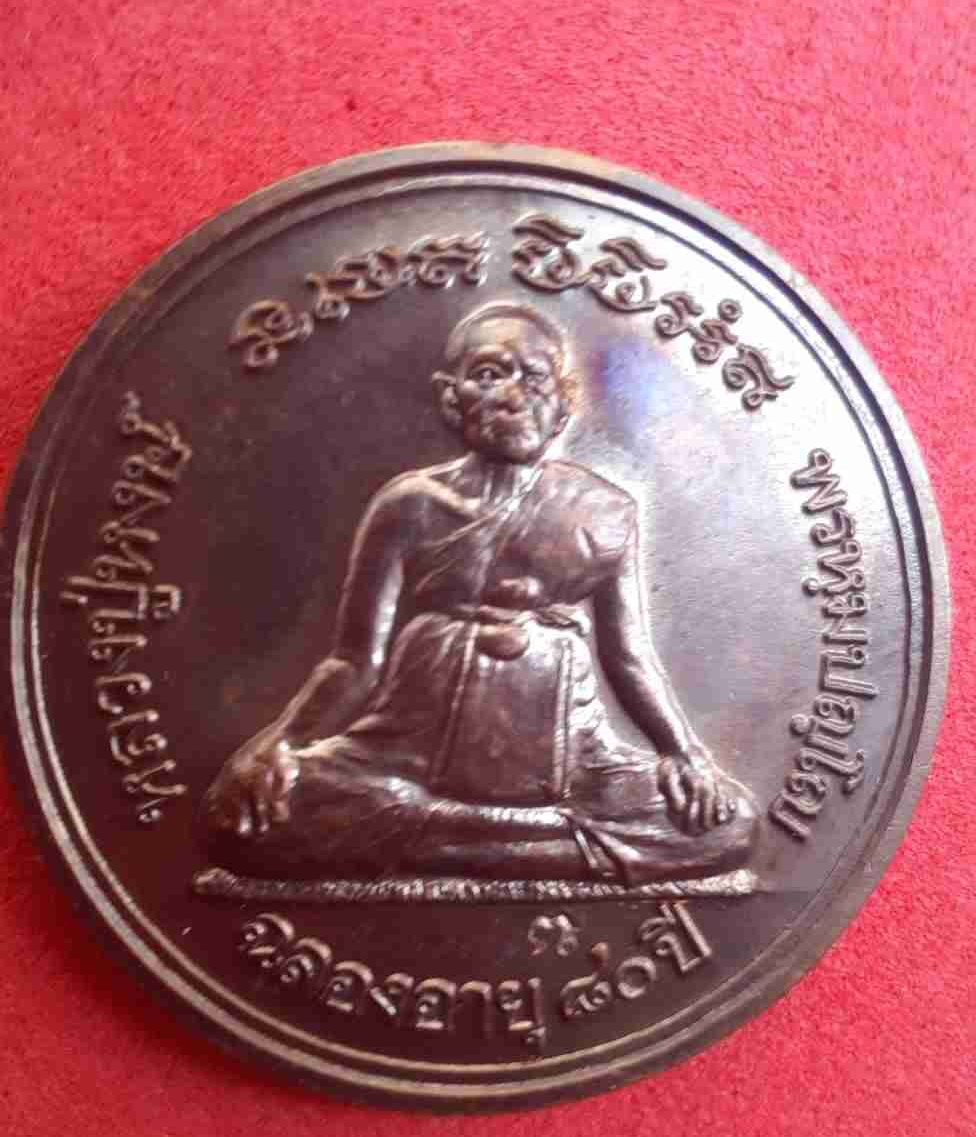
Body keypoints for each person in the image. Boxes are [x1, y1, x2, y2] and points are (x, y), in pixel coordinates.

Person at [200, 302, 758, 886]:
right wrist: (278, 742)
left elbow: (628, 657)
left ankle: (435, 836)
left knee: (730, 824)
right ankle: (531, 842)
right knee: (235, 819)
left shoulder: (606, 508)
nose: (513, 395)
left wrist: (685, 753)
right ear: (451, 397)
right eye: (490, 374)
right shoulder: (410, 504)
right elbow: (355, 660)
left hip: (573, 757)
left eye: (534, 377)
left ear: (563, 403)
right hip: (405, 753)